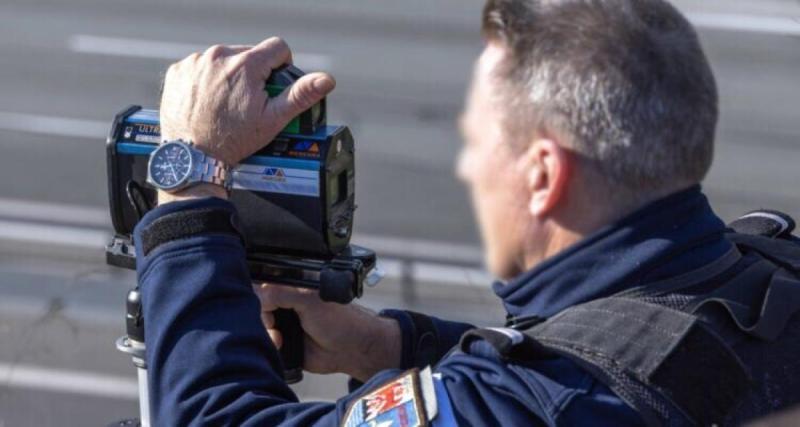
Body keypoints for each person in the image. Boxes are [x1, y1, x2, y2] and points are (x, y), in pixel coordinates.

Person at [134, 0, 800, 425]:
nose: (465, 168)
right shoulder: (765, 290)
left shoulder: (513, 406)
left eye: (477, 141)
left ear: (542, 175)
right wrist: (389, 346)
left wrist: (190, 176)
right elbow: (598, 363)